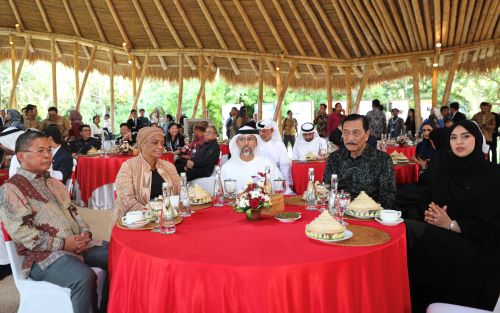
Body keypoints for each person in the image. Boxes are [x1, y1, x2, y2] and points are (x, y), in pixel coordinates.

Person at [0, 131, 109, 313]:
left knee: (118, 256)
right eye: (40, 150)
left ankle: (108, 307)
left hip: (78, 243)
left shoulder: (54, 183)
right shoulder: (11, 189)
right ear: (21, 156)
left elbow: (75, 212)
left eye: (49, 150)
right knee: (83, 277)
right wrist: (64, 243)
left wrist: (85, 233)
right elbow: (22, 233)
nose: (47, 155)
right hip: (41, 257)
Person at [406, 120, 500, 313]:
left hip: (476, 246)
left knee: (411, 232)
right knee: (408, 229)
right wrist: (431, 213)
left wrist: (452, 224)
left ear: (477, 140)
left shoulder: (493, 175)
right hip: (438, 235)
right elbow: (426, 200)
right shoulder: (444, 168)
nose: (459, 142)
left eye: (466, 136)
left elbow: (494, 226)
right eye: (454, 137)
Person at [323, 114, 396, 209]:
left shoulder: (382, 159)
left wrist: (364, 211)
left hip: (370, 216)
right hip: (340, 213)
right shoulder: (334, 158)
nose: (350, 138)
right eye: (346, 133)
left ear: (366, 135)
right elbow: (327, 189)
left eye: (356, 133)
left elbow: (388, 197)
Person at [114, 127, 181, 224]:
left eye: (162, 143)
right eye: (155, 143)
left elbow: (179, 191)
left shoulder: (169, 166)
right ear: (142, 144)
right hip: (138, 223)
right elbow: (126, 199)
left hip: (169, 220)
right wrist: (151, 215)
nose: (160, 147)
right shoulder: (129, 167)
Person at [221, 126, 284, 192]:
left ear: (256, 142)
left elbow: (279, 188)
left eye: (250, 139)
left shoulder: (268, 164)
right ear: (236, 143)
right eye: (242, 139)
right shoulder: (227, 168)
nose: (246, 143)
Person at [256, 119, 293, 193]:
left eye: (264, 131)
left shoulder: (279, 145)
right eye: (259, 131)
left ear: (272, 130)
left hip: (275, 176)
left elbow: (284, 165)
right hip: (257, 175)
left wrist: (288, 182)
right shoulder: (255, 143)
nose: (261, 133)